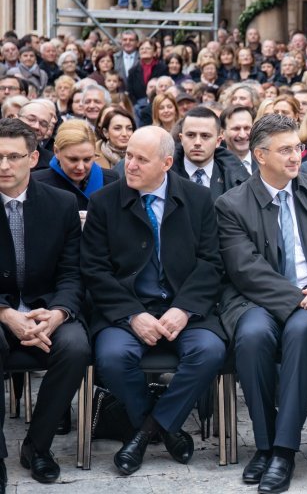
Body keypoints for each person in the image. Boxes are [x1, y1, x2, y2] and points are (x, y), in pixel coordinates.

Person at [214, 115, 307, 492]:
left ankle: (283, 450)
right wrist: (299, 298)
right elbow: (245, 270)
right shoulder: (231, 204)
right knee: (253, 336)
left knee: (299, 332)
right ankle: (263, 445)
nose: (296, 156)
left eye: (298, 147)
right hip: (254, 300)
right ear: (260, 155)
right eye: (285, 150)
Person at [81, 126, 227, 476]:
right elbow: (94, 270)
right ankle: (168, 428)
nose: (128, 164)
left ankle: (145, 434)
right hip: (125, 310)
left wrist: (184, 308)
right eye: (128, 155)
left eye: (140, 159)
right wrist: (132, 315)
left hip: (184, 309)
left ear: (166, 162)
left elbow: (212, 263)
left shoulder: (198, 199)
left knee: (210, 351)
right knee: (113, 357)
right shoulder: (104, 201)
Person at [0, 118, 90, 488]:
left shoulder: (61, 203)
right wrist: (6, 314)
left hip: (46, 307)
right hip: (1, 311)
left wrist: (57, 313)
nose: (3, 166)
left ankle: (38, 446)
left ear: (34, 158)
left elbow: (72, 271)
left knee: (76, 346)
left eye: (13, 157)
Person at [31, 119, 118, 211]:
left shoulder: (111, 180)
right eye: (73, 159)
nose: (80, 167)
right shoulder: (36, 183)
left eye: (87, 159)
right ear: (56, 151)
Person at [172, 106, 249, 200]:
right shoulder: (164, 176)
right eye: (191, 135)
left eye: (205, 136)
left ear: (218, 141)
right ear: (181, 139)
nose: (197, 142)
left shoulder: (236, 180)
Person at [221, 105, 256, 174]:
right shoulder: (215, 165)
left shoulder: (266, 162)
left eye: (247, 128)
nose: (242, 135)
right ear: (222, 133)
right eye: (236, 128)